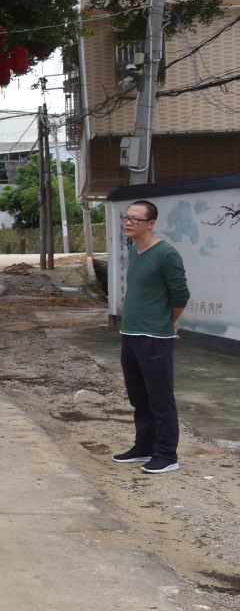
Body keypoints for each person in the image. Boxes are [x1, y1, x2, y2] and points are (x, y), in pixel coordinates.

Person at [111, 200, 190, 475]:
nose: (128, 223)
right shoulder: (135, 250)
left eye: (135, 219)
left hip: (155, 336)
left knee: (160, 397)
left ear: (151, 223)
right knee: (139, 397)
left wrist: (166, 323)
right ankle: (144, 446)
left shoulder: (166, 254)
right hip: (130, 333)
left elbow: (181, 296)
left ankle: (167, 454)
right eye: (126, 218)